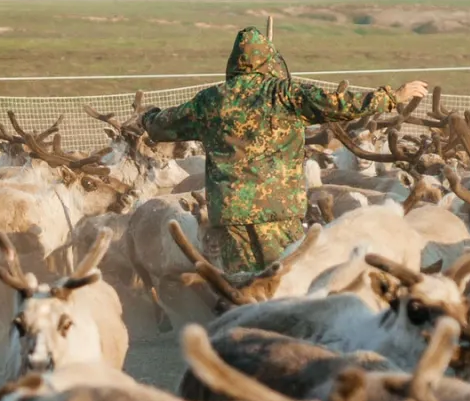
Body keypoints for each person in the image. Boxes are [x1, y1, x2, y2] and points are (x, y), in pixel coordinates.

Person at [139, 26, 428, 272]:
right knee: (287, 278)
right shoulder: (284, 94)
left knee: (241, 286)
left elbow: (162, 126)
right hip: (279, 209)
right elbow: (340, 103)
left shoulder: (210, 100)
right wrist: (393, 97)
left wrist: (147, 116)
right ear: (270, 61)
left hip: (230, 212)